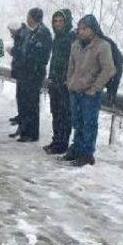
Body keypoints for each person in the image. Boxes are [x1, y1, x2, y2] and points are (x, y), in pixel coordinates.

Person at [62, 14, 116, 166]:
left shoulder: (102, 46)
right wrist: (69, 82)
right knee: (77, 123)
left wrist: (95, 88)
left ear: (93, 30)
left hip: (90, 93)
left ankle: (87, 155)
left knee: (89, 124)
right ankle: (76, 150)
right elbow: (71, 66)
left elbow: (109, 69)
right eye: (79, 29)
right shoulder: (76, 45)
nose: (80, 31)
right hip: (75, 90)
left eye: (84, 29)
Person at [15, 8, 52, 142]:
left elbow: (41, 56)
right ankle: (25, 131)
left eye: (28, 16)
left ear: (33, 17)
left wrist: (30, 63)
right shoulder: (32, 32)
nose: (27, 19)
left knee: (31, 104)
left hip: (33, 74)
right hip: (25, 73)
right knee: (24, 102)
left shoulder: (43, 33)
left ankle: (31, 133)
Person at [44, 9, 76, 155]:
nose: (57, 24)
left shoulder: (72, 38)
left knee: (64, 114)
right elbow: (54, 61)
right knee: (56, 113)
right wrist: (50, 78)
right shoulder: (57, 38)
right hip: (54, 82)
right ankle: (56, 140)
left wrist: (67, 79)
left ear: (67, 22)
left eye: (61, 21)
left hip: (65, 84)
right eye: (55, 21)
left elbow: (74, 62)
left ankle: (62, 144)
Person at [7, 22, 28, 134]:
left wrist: (13, 51)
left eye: (11, 31)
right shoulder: (21, 36)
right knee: (20, 98)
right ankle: (21, 123)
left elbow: (22, 52)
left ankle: (23, 127)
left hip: (24, 73)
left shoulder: (23, 36)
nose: (10, 33)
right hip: (21, 72)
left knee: (23, 101)